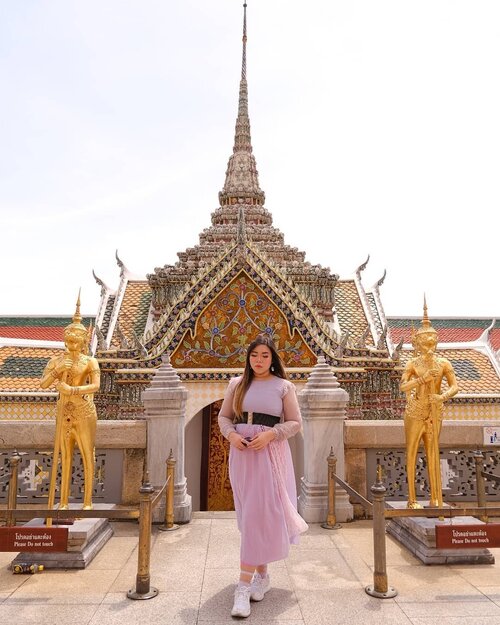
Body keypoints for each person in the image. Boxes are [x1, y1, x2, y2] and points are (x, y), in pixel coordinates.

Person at [218, 334, 308, 618]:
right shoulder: (237, 384)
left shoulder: (284, 386)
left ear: (273, 358)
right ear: (248, 357)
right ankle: (263, 576)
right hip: (242, 454)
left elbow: (295, 423)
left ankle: (242, 588)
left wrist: (271, 434)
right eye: (254, 355)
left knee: (261, 513)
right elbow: (223, 417)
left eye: (265, 355)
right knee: (249, 516)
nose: (259, 360)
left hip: (270, 454)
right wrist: (231, 435)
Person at [40, 296, 100, 510]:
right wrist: (57, 371)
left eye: (75, 341)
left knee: (86, 455)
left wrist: (72, 389)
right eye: (68, 341)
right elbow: (43, 384)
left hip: (84, 411)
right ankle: (63, 502)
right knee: (64, 458)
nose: (71, 345)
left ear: (84, 341)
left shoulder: (90, 361)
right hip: (63, 412)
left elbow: (95, 386)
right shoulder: (57, 361)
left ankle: (87, 502)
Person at [400, 301, 458, 509]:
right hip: (415, 411)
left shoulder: (443, 363)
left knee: (433, 452)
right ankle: (412, 499)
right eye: (425, 340)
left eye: (432, 339)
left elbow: (454, 387)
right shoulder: (412, 364)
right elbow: (403, 386)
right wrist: (421, 380)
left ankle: (435, 498)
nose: (429, 343)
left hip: (435, 410)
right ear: (417, 342)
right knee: (412, 452)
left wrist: (442, 397)